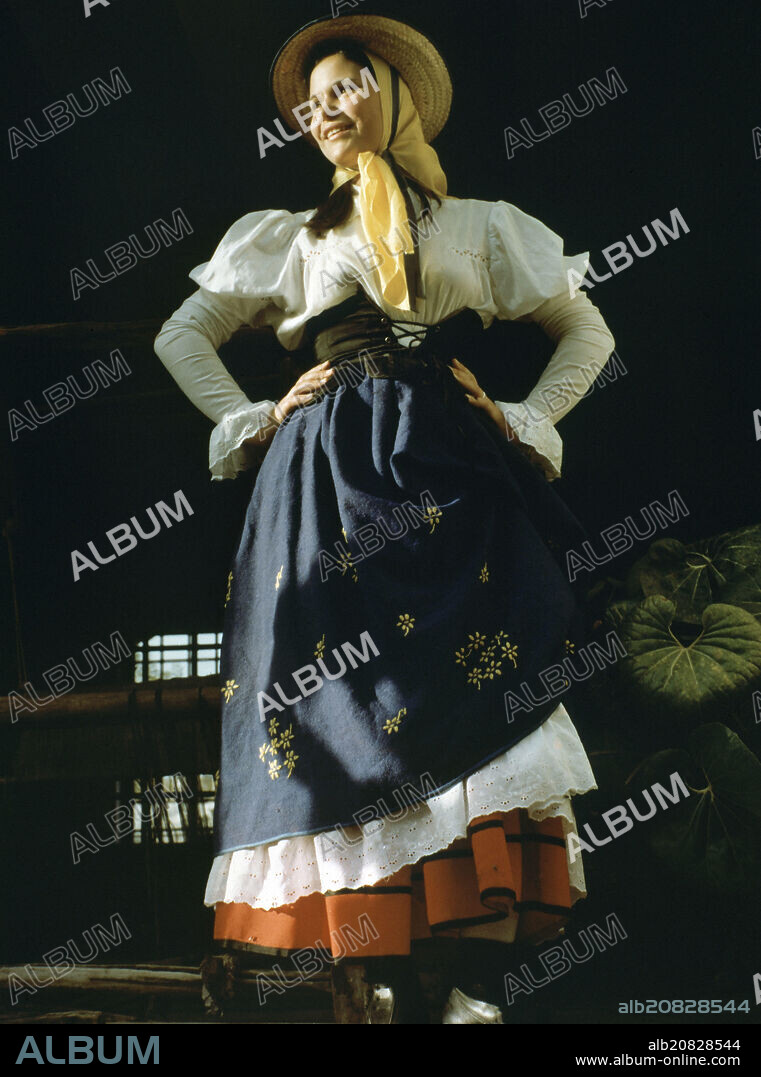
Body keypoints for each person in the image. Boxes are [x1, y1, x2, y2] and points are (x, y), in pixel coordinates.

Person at [154, 13, 616, 1023]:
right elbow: (181, 334)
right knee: (343, 719)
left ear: (396, 91)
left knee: (473, 696)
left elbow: (584, 324)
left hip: (449, 487)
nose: (320, 108)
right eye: (306, 99)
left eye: (343, 84)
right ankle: (375, 975)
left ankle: (456, 974)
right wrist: (253, 415)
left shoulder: (482, 225)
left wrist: (528, 415)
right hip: (323, 496)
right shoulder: (292, 237)